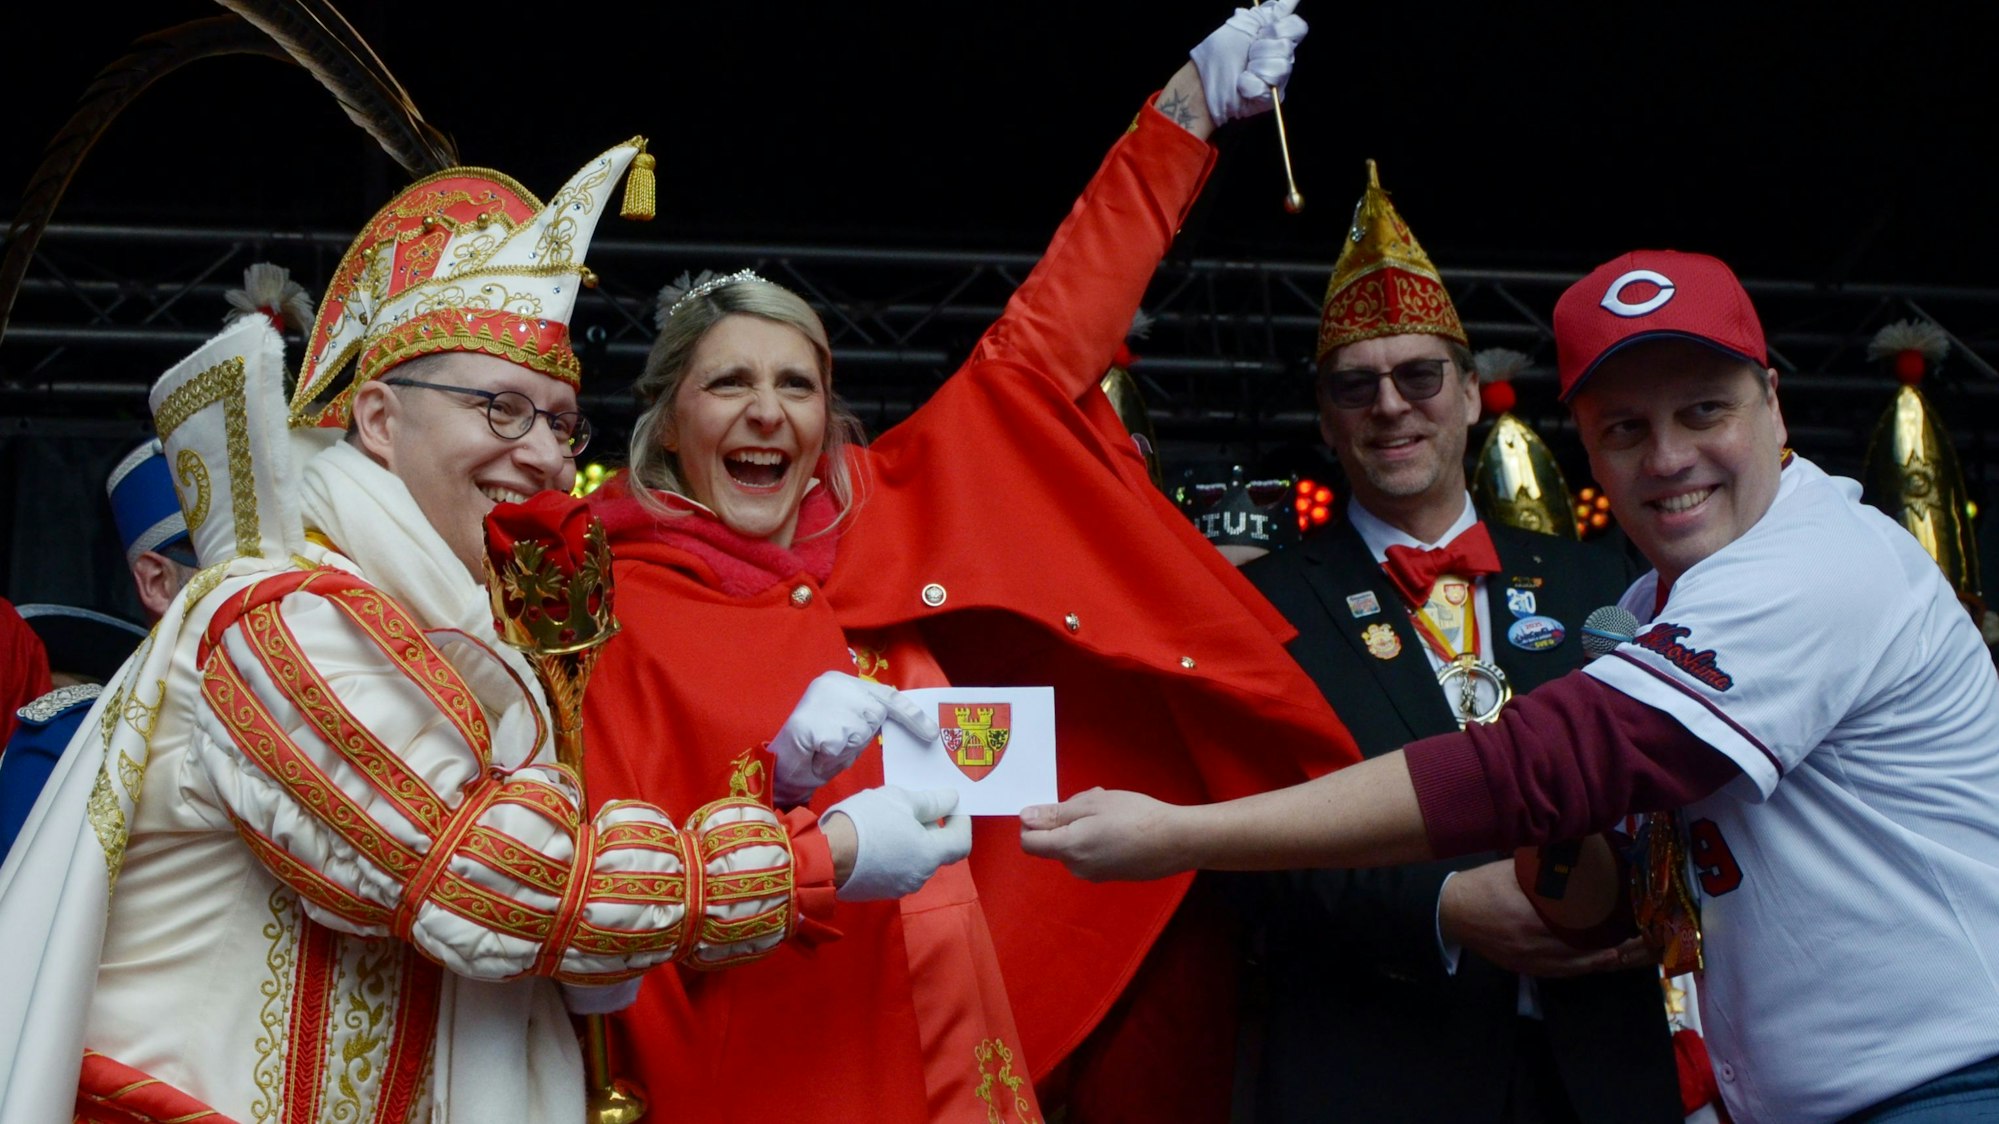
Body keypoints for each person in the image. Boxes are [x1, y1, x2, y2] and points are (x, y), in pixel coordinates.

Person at [0, 140, 959, 1123]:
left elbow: (562, 895)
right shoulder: (281, 613)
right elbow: (488, 878)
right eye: (501, 408)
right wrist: (819, 852)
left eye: (560, 420)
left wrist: (784, 782)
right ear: (376, 416)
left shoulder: (457, 637)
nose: (541, 454)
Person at [582, 7, 1358, 1120]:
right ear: (666, 424)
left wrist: (1184, 108)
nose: (766, 411)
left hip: (953, 1020)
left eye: (795, 385)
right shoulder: (618, 606)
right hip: (766, 1056)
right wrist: (789, 798)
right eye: (729, 384)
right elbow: (624, 886)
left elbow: (1049, 330)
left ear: (827, 417)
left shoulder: (883, 506)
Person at [1022, 248, 1999, 1123]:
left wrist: (1178, 833)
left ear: (1773, 401)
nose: (1666, 457)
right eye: (1625, 426)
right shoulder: (1642, 598)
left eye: (1704, 409)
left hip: (1932, 1082)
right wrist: (1479, 893)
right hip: (1397, 1066)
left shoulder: (1808, 562)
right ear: (1582, 439)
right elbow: (1594, 851)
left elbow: (1547, 763)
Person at [1237, 165, 1678, 1122]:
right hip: (1377, 1066)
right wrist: (1437, 906)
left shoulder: (1607, 582)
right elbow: (1244, 841)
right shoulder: (1257, 608)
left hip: (1601, 1066)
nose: (1390, 405)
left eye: (1419, 375)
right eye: (1355, 385)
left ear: (1473, 395)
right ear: (1325, 420)